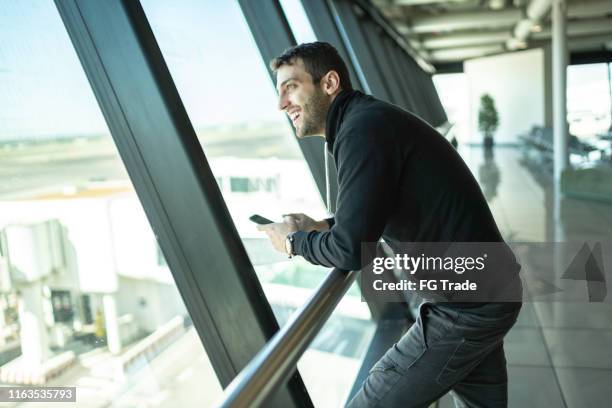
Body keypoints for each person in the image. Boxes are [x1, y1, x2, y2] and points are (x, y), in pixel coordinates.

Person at [258, 42, 522, 408]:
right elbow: (376, 207)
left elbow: (350, 250)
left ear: (329, 82)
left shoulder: (361, 130)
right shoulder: (366, 121)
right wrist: (323, 224)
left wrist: (294, 242)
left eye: (290, 86)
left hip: (467, 307)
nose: (281, 103)